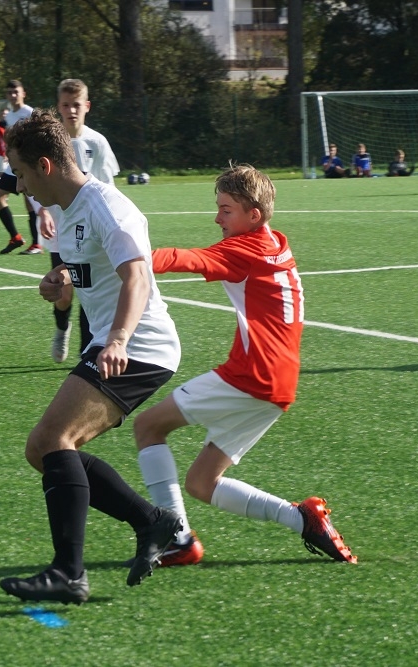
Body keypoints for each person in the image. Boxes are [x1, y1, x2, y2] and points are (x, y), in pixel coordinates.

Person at [0, 109, 184, 604]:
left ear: (45, 165)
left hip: (139, 346)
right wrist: (58, 283)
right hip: (113, 343)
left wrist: (118, 339)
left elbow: (137, 277)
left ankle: (69, 573)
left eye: (20, 172)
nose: (18, 186)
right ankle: (153, 522)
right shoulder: (66, 213)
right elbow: (82, 280)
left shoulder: (105, 204)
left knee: (54, 438)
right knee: (46, 449)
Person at [131, 163, 358, 570]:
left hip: (252, 375)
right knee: (202, 483)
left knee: (148, 426)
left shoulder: (245, 249)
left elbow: (187, 259)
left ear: (253, 215)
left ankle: (175, 537)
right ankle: (302, 517)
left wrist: (124, 258)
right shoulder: (274, 242)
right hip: (278, 384)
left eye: (226, 210)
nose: (217, 218)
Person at [39, 78, 120, 364]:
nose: (71, 110)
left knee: (88, 289)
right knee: (63, 292)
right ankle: (62, 327)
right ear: (58, 107)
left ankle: (88, 354)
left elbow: (107, 188)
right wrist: (43, 211)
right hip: (60, 229)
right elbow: (38, 181)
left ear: (86, 106)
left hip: (90, 232)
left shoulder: (96, 142)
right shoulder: (49, 143)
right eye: (65, 105)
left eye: (76, 105)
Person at [0, 79, 41, 255]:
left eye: (16, 92)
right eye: (9, 93)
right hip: (13, 165)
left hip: (27, 163)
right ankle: (16, 237)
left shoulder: (30, 113)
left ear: (23, 93)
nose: (13, 96)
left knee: (31, 202)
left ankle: (37, 244)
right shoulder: (9, 116)